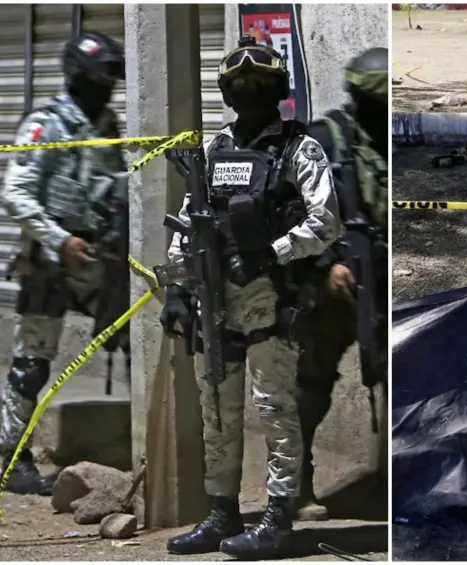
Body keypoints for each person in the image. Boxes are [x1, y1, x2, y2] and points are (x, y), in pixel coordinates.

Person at [160, 36, 340, 558]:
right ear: (227, 93)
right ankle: (220, 514)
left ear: (277, 89)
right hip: (214, 305)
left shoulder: (298, 148)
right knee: (217, 412)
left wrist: (273, 253)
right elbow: (190, 224)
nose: (249, 96)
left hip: (270, 304)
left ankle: (278, 519)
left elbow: (325, 222)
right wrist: (175, 287)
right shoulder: (213, 151)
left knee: (275, 412)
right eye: (240, 88)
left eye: (259, 86)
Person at [0, 31, 127, 496]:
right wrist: (58, 239)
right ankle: (13, 460)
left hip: (99, 258)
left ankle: (145, 448)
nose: (110, 85)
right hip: (51, 260)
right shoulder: (46, 124)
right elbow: (15, 193)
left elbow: (114, 183)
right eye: (103, 75)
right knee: (31, 364)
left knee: (140, 338)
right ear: (80, 75)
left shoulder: (108, 124)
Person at [294, 47, 388, 521]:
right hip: (335, 285)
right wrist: (328, 262)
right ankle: (296, 482)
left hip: (384, 278)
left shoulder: (391, 139)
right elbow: (297, 209)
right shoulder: (326, 137)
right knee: (311, 384)